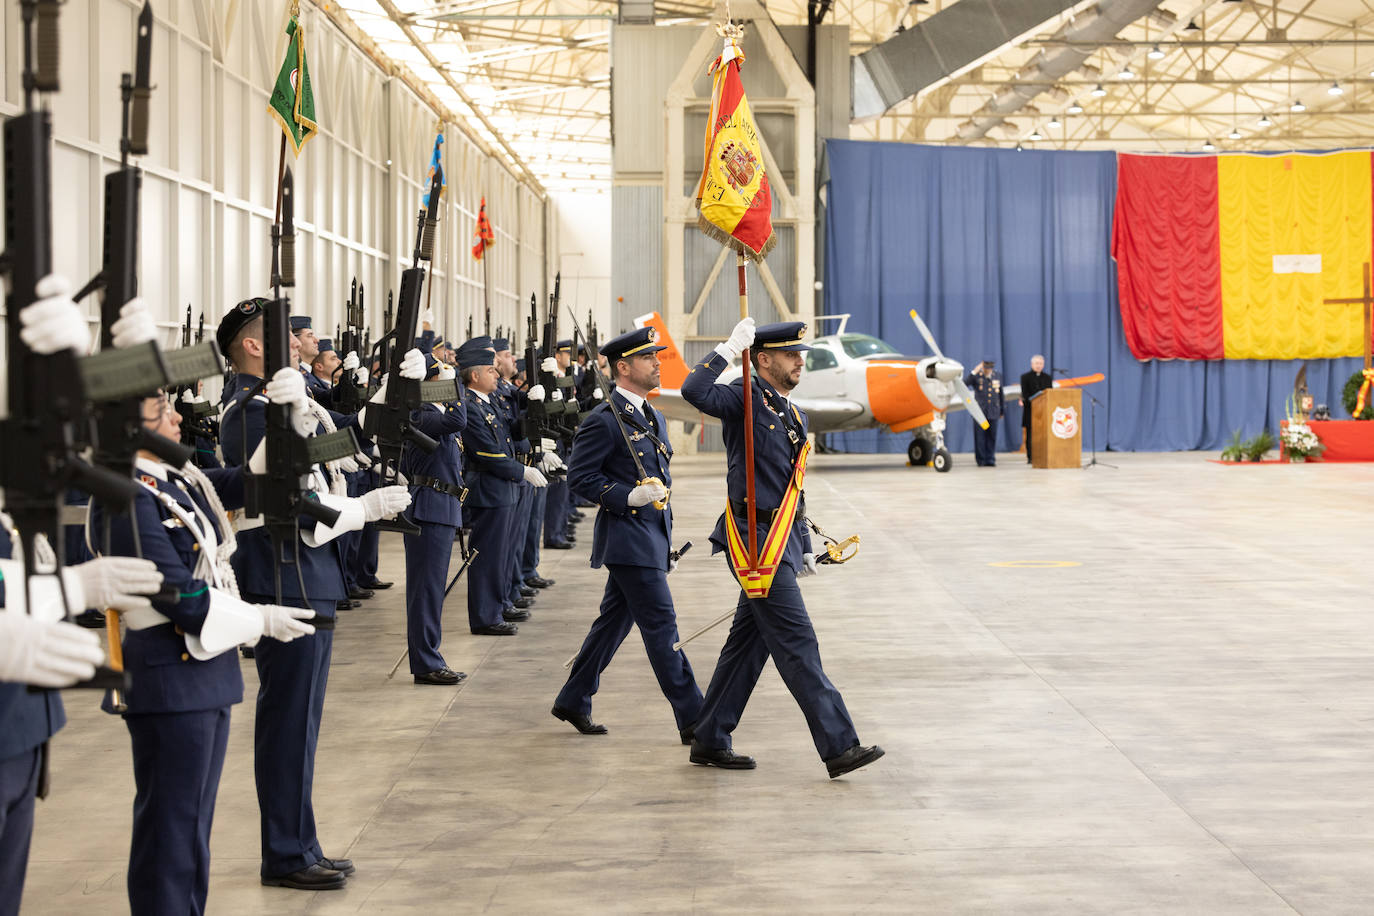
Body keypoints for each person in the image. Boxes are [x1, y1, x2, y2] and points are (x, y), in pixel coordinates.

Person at [219, 298, 412, 890]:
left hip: (309, 570)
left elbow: (332, 453)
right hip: (285, 570)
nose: (303, 343)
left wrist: (390, 395)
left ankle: (301, 842)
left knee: (301, 723)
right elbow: (287, 494)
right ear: (254, 346)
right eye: (283, 336)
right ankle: (284, 852)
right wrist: (360, 512)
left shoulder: (292, 404)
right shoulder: (252, 412)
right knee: (287, 721)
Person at [98, 390, 316, 914]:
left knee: (193, 829)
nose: (176, 417)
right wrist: (256, 619)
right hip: (168, 672)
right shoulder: (123, 494)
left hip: (204, 670)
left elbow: (248, 484)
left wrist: (286, 421)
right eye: (160, 412)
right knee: (170, 833)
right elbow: (175, 593)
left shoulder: (176, 479)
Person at [680, 318, 883, 780]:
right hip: (754, 543)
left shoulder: (794, 413)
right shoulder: (743, 397)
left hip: (783, 541)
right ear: (764, 358)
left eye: (801, 353)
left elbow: (797, 487)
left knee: (747, 646)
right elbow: (694, 391)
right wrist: (730, 348)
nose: (800, 359)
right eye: (791, 353)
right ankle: (840, 746)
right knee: (797, 642)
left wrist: (806, 545)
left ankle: (710, 737)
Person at [552, 327, 702, 740]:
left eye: (656, 356)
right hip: (628, 541)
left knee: (612, 625)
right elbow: (579, 476)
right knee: (662, 629)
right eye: (648, 358)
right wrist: (626, 496)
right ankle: (697, 721)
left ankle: (573, 698)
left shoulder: (652, 414)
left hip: (651, 538)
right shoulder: (604, 419)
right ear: (623, 367)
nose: (657, 363)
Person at [459, 341, 547, 636]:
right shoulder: (469, 408)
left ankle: (496, 607)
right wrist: (522, 470)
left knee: (502, 554)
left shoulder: (489, 401)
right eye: (489, 370)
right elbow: (487, 454)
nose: (496, 374)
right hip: (489, 489)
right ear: (474, 376)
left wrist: (532, 406)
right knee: (487, 557)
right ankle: (485, 617)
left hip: (503, 489)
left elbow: (511, 431)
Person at [398, 343, 468, 685]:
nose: (447, 376)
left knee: (431, 589)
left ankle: (430, 656)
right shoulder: (421, 413)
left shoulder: (432, 413)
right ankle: (426, 663)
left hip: (441, 505)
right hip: (430, 506)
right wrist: (454, 388)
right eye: (441, 372)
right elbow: (459, 418)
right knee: (425, 590)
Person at [965, 358, 1004, 467]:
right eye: (986, 368)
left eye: (989, 368)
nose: (987, 370)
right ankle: (981, 460)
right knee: (980, 437)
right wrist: (974, 372)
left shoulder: (998, 376)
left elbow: (1001, 394)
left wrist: (1001, 410)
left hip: (993, 411)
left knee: (992, 436)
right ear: (982, 366)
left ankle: (990, 459)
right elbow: (965, 384)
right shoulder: (977, 376)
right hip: (980, 412)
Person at [1018, 354, 1053, 465]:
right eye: (1036, 363)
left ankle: (1043, 455)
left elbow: (1050, 393)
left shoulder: (1047, 378)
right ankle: (1031, 457)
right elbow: (1025, 394)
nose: (1038, 365)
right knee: (1030, 435)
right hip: (1030, 411)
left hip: (1044, 412)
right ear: (1032, 364)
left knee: (1044, 435)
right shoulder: (1025, 377)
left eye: (1040, 363)